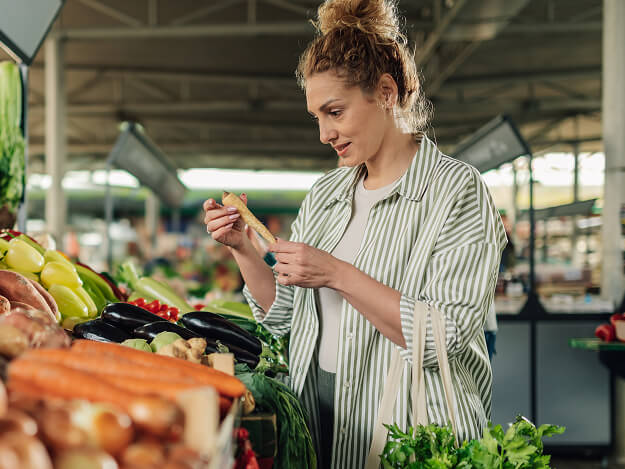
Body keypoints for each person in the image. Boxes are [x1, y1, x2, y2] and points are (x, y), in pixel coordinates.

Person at [203, 0, 507, 466]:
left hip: (410, 432)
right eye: (317, 117)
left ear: (385, 92)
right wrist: (244, 248)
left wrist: (337, 273)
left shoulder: (456, 191)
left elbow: (443, 337)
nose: (325, 133)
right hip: (317, 415)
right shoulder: (326, 193)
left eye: (335, 112)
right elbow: (283, 318)